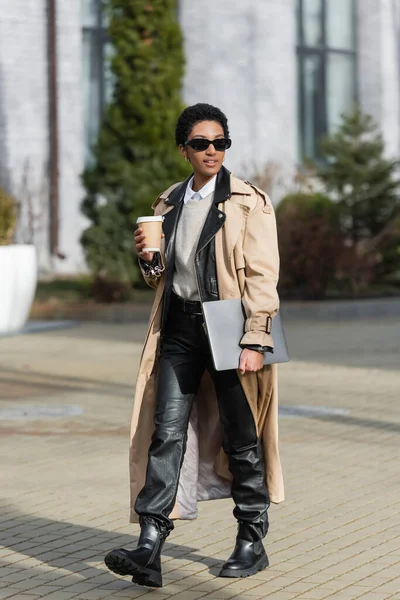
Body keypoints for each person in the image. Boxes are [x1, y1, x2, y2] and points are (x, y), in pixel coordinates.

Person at [104, 103, 284, 588]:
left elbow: (264, 276)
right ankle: (149, 543)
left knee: (241, 436)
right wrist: (148, 259)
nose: (212, 151)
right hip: (179, 327)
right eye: (202, 143)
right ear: (184, 149)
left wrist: (256, 337)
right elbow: (159, 276)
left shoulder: (249, 201)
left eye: (221, 142)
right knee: (166, 432)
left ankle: (251, 536)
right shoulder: (169, 202)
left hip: (230, 324)